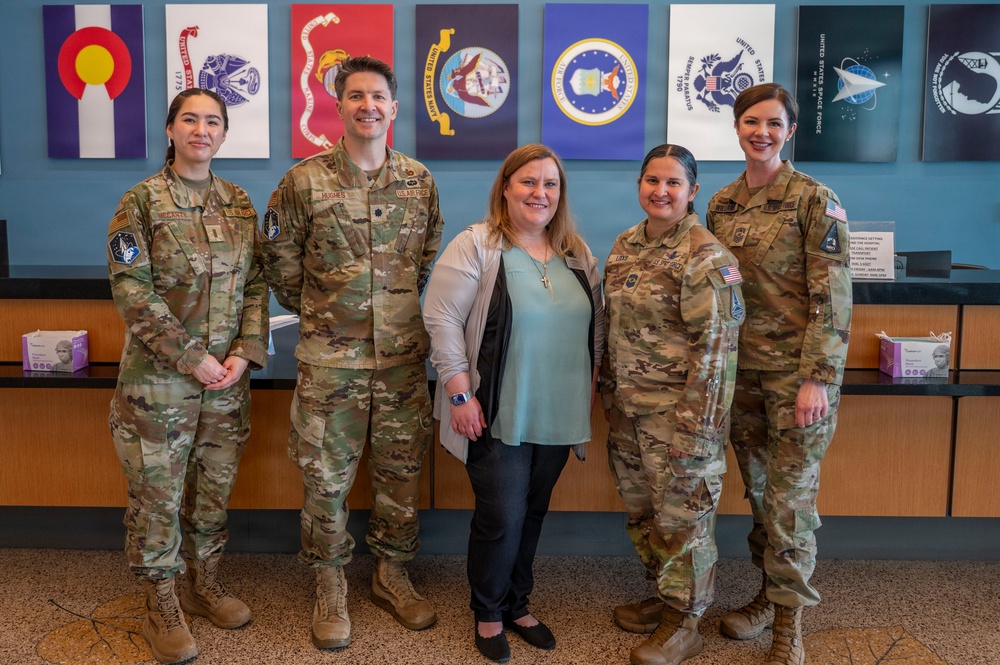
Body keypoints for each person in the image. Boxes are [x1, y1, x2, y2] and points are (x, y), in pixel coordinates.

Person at [260, 56, 443, 650]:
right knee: (324, 479)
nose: (368, 105)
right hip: (329, 363)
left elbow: (424, 261)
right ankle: (330, 580)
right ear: (338, 106)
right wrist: (331, 311)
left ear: (394, 108)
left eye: (379, 97)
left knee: (400, 475)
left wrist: (387, 313)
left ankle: (392, 573)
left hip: (401, 365)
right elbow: (282, 266)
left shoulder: (419, 181)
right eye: (356, 95)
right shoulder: (302, 181)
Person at [423, 143, 605, 663]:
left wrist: (591, 393)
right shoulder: (476, 246)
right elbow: (442, 322)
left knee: (533, 511)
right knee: (501, 513)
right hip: (497, 408)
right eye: (528, 182)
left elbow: (596, 331)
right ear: (505, 187)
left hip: (559, 408)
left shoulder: (576, 253)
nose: (539, 193)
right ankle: (487, 612)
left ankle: (517, 603)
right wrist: (460, 393)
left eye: (550, 184)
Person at [106, 88, 269, 665]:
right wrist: (189, 355)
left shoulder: (240, 204)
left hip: (226, 384)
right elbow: (133, 291)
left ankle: (204, 585)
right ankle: (160, 602)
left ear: (224, 134)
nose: (202, 130)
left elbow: (256, 287)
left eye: (213, 122)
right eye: (190, 119)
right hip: (160, 388)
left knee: (212, 492)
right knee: (158, 497)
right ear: (171, 129)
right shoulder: (142, 202)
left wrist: (245, 354)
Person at [705, 83, 852, 665]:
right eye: (750, 121)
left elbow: (833, 298)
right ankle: (768, 597)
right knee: (763, 496)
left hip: (797, 381)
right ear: (736, 128)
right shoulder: (720, 203)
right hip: (742, 379)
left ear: (790, 131)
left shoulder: (816, 199)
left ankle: (790, 627)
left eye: (772, 123)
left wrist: (817, 377)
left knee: (790, 503)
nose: (760, 131)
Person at [602, 144, 744, 665]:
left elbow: (716, 353)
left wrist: (698, 432)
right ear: (639, 183)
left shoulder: (705, 255)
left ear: (692, 191)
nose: (660, 191)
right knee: (644, 514)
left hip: (679, 417)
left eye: (673, 183)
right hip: (628, 412)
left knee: (684, 519)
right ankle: (663, 596)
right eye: (651, 180)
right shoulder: (625, 244)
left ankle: (686, 623)